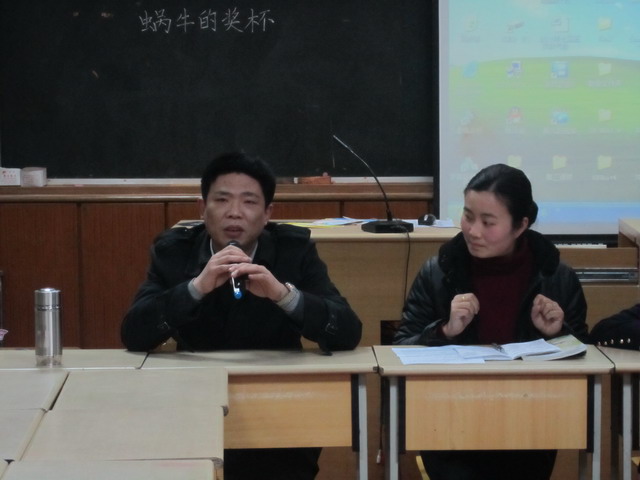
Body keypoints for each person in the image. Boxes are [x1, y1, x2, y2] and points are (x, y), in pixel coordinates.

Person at [121, 152, 362, 480]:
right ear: (202, 208)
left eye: (249, 202)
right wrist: (195, 288)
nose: (234, 212)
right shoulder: (174, 252)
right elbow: (134, 334)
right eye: (222, 200)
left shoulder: (293, 251)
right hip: (195, 401)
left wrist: (283, 295)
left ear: (267, 213)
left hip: (279, 404)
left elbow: (347, 331)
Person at [394, 163, 588, 480]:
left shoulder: (556, 278)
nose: (473, 231)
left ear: (520, 225)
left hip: (530, 429)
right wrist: (444, 331)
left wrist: (558, 334)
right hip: (449, 426)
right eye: (468, 216)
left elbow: (585, 362)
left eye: (488, 222)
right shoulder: (438, 272)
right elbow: (400, 348)